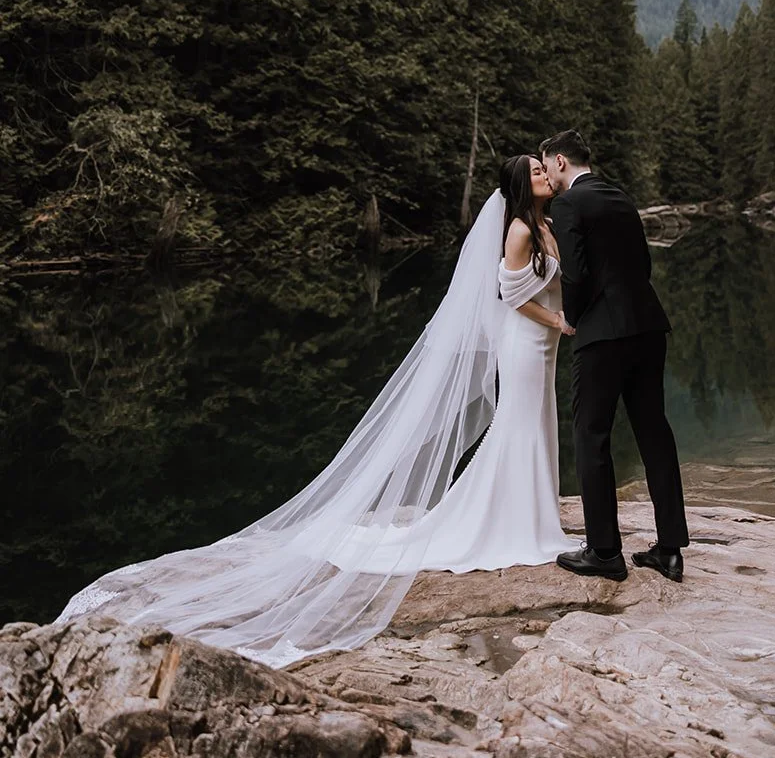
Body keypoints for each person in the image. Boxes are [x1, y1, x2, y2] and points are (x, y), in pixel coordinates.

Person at [56, 156, 580, 666]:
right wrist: (555, 321)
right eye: (535, 171)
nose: (543, 174)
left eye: (543, 168)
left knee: (536, 421)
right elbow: (509, 294)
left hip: (543, 339)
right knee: (517, 422)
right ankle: (511, 521)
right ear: (518, 184)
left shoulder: (545, 224)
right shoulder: (518, 231)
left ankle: (531, 514)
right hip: (527, 338)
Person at [540, 129, 689, 582]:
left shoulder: (568, 204)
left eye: (546, 165)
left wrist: (572, 317)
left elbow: (577, 274)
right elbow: (642, 265)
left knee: (591, 435)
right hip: (648, 325)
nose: (546, 173)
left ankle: (605, 552)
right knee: (654, 432)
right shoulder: (620, 196)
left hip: (604, 334)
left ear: (561, 161)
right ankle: (668, 549)